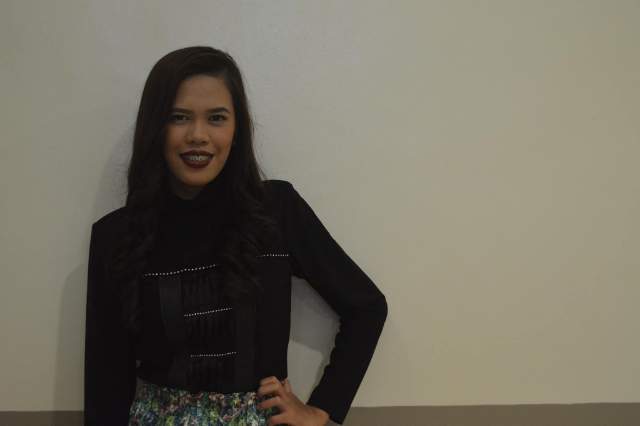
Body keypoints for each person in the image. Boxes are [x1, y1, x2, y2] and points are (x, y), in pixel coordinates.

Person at [84, 45, 388, 426]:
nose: (198, 135)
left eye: (216, 118)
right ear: (155, 128)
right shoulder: (116, 237)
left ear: (236, 129)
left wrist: (322, 409)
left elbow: (367, 308)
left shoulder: (276, 211)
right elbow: (106, 385)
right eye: (178, 117)